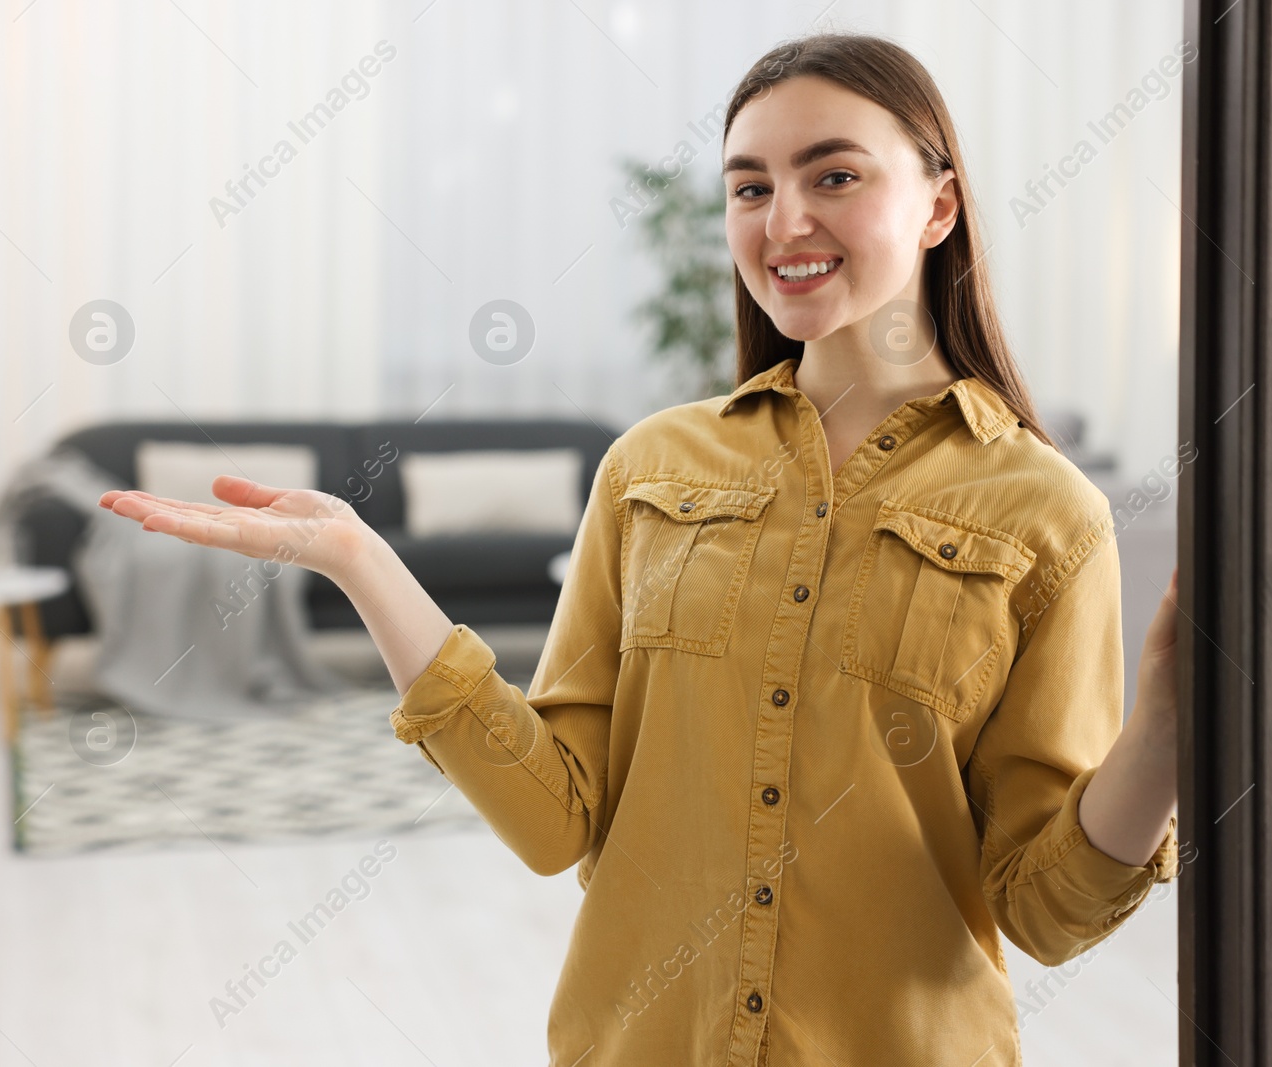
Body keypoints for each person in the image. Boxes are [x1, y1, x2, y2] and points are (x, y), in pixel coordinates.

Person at [100, 30, 1181, 1067]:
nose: (783, 218)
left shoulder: (1049, 512)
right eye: (749, 187)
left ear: (938, 203)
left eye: (834, 175)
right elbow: (553, 814)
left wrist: (1168, 728)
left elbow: (1046, 909)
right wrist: (360, 559)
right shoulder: (649, 468)